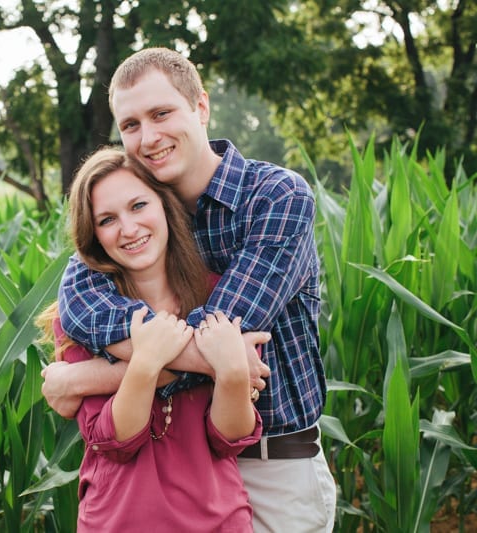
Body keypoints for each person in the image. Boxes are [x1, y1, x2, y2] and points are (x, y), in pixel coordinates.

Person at [42, 47, 336, 532]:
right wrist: (215, 356)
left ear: (200, 107)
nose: (148, 137)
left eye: (161, 113)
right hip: (177, 480)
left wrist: (81, 378)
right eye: (131, 124)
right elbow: (79, 307)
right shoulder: (139, 213)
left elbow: (224, 331)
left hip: (273, 468)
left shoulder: (275, 197)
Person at [37, 146, 262, 532]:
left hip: (218, 521)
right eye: (107, 219)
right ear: (93, 235)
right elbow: (115, 440)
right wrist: (144, 362)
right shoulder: (81, 320)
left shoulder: (222, 298)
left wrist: (233, 374)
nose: (128, 228)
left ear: (164, 205)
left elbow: (230, 438)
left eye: (138, 206)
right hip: (117, 522)